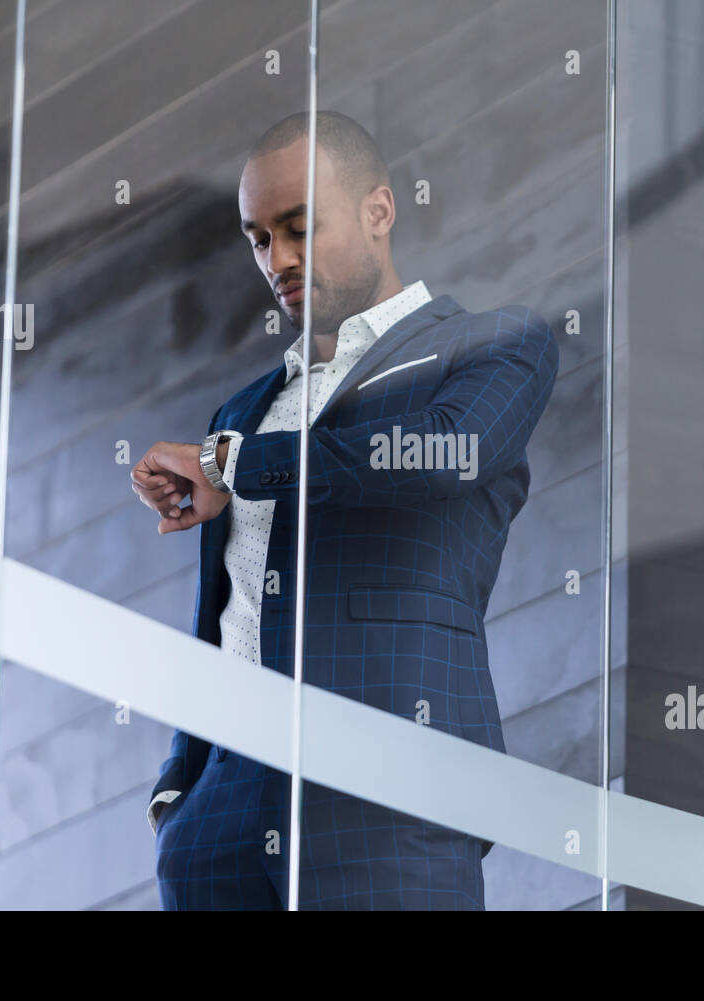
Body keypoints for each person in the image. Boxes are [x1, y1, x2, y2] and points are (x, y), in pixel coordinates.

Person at [130, 110, 558, 909]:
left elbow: (443, 452)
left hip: (386, 789)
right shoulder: (246, 408)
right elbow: (224, 614)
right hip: (220, 817)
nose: (278, 260)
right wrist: (178, 791)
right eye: (259, 239)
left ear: (379, 211)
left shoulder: (494, 346)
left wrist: (230, 463)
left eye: (300, 228)